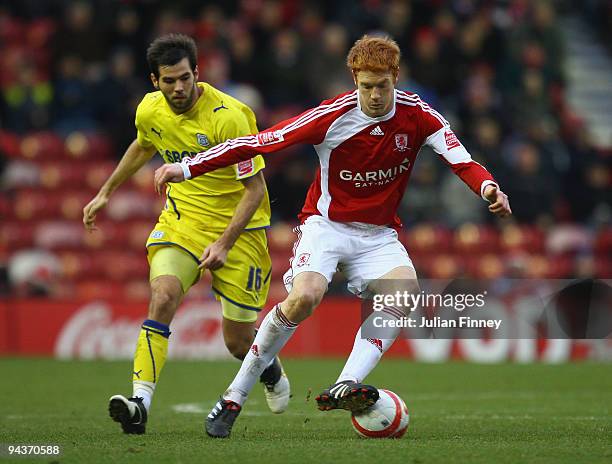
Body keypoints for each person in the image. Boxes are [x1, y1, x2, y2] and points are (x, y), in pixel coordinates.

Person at [154, 35, 512, 438]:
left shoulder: (419, 115)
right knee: (305, 297)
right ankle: (234, 395)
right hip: (325, 227)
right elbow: (257, 143)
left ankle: (346, 383)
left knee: (405, 292)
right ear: (353, 80)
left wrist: (487, 188)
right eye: (366, 86)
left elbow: (460, 159)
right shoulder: (331, 116)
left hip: (377, 234)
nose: (374, 96)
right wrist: (187, 169)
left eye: (382, 86)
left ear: (396, 77)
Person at [82, 33, 290, 435]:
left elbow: (256, 190)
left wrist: (225, 243)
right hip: (183, 222)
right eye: (168, 81)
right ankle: (139, 403)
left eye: (184, 79)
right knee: (162, 296)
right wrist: (106, 191)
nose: (178, 88)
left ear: (198, 73)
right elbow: (144, 145)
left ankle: (270, 371)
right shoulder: (150, 110)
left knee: (237, 342)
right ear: (154, 81)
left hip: (239, 230)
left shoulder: (230, 116)